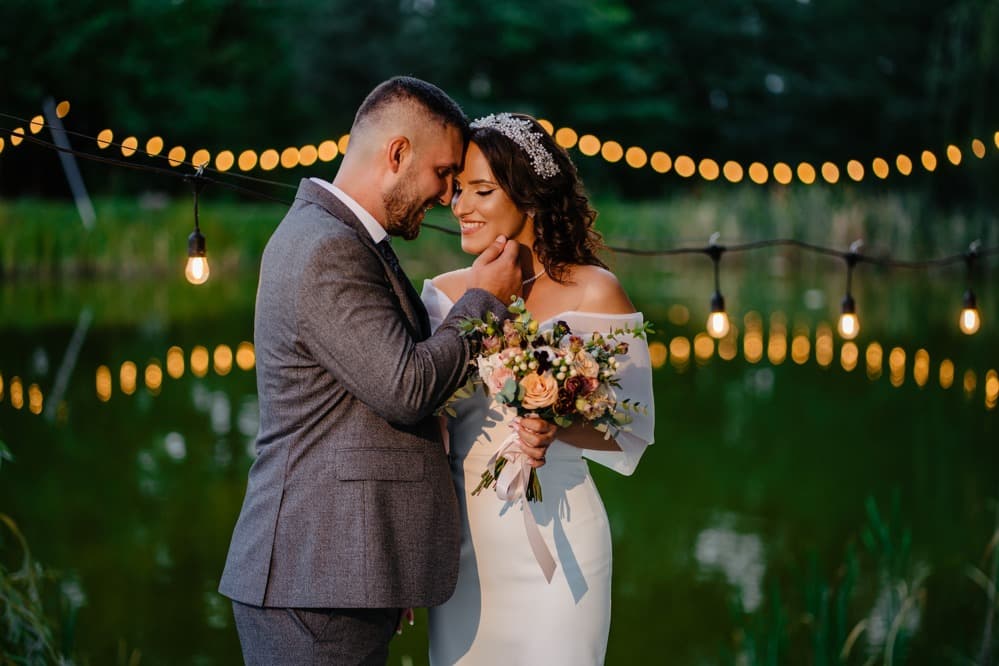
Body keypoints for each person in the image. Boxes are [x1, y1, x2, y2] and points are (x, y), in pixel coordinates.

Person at [218, 79, 557, 665]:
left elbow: (359, 409)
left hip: (340, 572)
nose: (450, 195)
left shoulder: (345, 238)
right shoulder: (327, 247)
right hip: (310, 583)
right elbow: (407, 389)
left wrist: (385, 567)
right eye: (445, 172)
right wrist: (483, 300)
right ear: (397, 154)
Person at [421, 113, 656, 665]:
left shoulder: (596, 291)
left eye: (481, 190)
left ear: (530, 198)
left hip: (564, 542)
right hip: (465, 550)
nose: (460, 207)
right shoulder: (440, 297)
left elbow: (631, 432)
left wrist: (558, 423)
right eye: (457, 191)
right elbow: (417, 421)